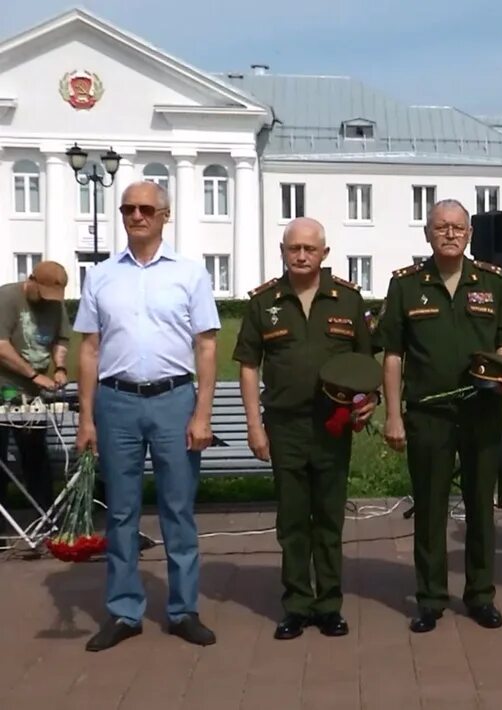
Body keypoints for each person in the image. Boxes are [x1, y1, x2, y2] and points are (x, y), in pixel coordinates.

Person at [74, 181, 221, 651]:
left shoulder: (190, 273)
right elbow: (90, 348)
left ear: (164, 215)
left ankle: (183, 610)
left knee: (178, 510)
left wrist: (202, 414)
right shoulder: (100, 277)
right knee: (120, 513)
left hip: (173, 401)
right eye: (128, 209)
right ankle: (123, 611)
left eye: (145, 209)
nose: (136, 216)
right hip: (116, 403)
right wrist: (87, 417)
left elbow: (207, 345)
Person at [380, 198, 502, 632]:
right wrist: (393, 415)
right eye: (441, 227)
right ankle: (429, 598)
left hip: (481, 411)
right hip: (428, 413)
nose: (449, 234)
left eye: (458, 227)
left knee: (482, 505)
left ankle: (480, 595)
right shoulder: (406, 285)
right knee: (430, 507)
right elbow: (392, 355)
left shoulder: (493, 281)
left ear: (469, 235)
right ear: (427, 233)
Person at [232, 217, 376, 640]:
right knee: (293, 520)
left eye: (309, 249)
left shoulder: (348, 300)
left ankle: (329, 604)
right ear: (282, 250)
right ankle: (296, 604)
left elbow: (366, 362)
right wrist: (255, 425)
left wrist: (368, 403)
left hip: (334, 426)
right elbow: (247, 365)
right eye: (293, 248)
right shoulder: (264, 302)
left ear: (324, 253)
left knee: (329, 518)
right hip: (286, 426)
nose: (300, 256)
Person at [0, 261, 71, 515]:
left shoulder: (55, 304)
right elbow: (1, 347)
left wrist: (60, 367)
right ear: (31, 281)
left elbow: (61, 338)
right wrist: (33, 375)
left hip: (32, 396)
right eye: (42, 295)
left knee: (36, 460)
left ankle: (44, 522)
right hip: (4, 387)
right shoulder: (7, 297)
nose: (47, 301)